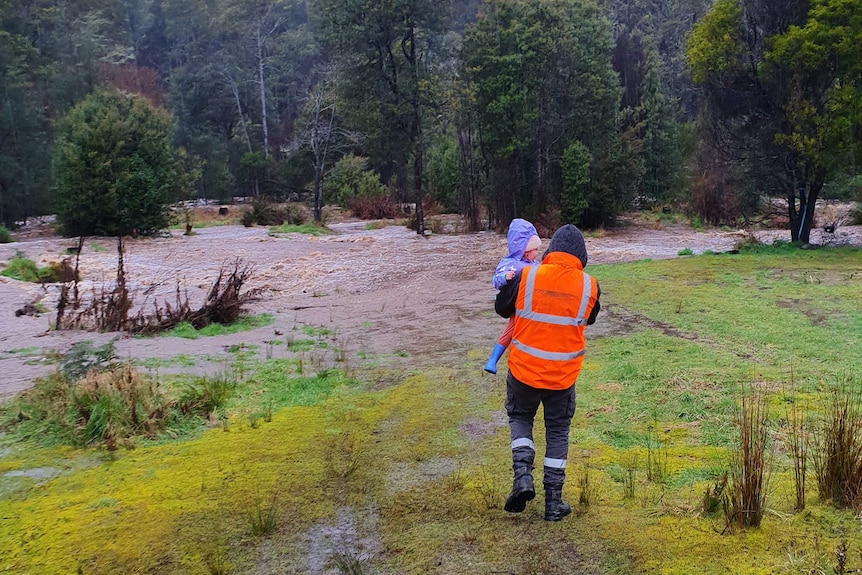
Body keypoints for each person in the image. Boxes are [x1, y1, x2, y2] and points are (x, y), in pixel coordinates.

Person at [493, 224, 601, 521]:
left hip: (523, 371)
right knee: (557, 433)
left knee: (520, 418)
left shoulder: (527, 275)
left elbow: (502, 308)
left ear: (551, 250)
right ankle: (553, 504)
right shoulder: (590, 286)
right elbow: (589, 318)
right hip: (562, 378)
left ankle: (523, 476)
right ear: (582, 256)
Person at [483, 218, 542, 374]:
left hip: (533, 306)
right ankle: (493, 359)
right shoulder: (509, 264)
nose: (537, 253)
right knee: (511, 329)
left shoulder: (535, 264)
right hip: (517, 306)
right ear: (526, 250)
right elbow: (495, 281)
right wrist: (505, 277)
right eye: (535, 250)